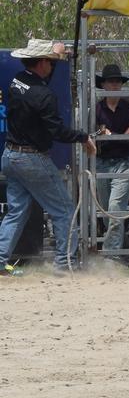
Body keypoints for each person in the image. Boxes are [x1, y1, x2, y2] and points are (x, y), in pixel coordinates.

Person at [0, 39, 96, 276]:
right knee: (63, 209)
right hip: (31, 158)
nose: (53, 67)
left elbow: (40, 86)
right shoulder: (44, 95)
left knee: (16, 211)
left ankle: (0, 260)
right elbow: (57, 131)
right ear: (42, 63)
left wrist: (57, 54)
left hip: (10, 154)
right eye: (51, 63)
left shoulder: (17, 82)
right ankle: (64, 263)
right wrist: (83, 137)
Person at [93, 64, 129, 257]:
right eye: (111, 81)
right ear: (104, 85)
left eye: (118, 82)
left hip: (123, 162)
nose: (115, 85)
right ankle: (121, 247)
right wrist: (122, 135)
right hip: (102, 162)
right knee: (109, 212)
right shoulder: (97, 109)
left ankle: (111, 255)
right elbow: (93, 134)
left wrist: (109, 134)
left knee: (115, 210)